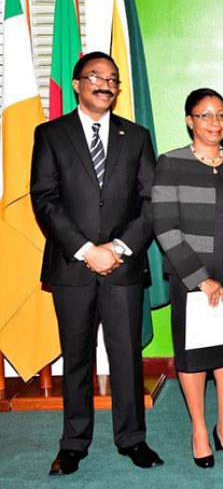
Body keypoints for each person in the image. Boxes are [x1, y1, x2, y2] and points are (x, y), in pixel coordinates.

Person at [30, 51, 162, 475]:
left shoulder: (137, 137)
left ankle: (132, 439)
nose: (104, 84)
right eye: (95, 76)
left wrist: (118, 248)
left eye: (112, 78)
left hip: (124, 265)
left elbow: (151, 201)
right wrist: (88, 249)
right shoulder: (50, 134)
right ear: (76, 84)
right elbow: (44, 199)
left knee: (125, 357)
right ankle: (73, 443)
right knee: (78, 357)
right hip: (72, 266)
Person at [152, 88, 223, 468]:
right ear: (190, 121)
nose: (215, 122)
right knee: (194, 356)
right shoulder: (171, 163)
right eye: (205, 115)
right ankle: (200, 429)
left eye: (221, 115)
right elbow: (165, 227)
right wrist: (200, 278)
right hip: (191, 280)